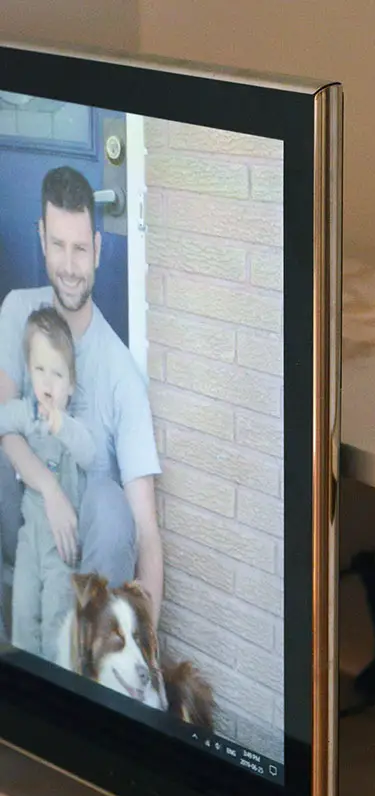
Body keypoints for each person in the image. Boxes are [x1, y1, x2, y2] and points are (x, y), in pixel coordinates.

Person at [0, 165, 162, 642]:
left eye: (79, 249)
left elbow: (146, 530)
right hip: (23, 527)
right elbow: (4, 424)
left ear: (98, 248)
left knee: (113, 505)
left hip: (86, 564)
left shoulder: (121, 373)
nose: (69, 266)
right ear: (41, 237)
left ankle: (90, 676)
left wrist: (146, 645)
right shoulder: (16, 312)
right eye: (57, 246)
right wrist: (49, 490)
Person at [0, 307, 95, 659]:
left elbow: (90, 453)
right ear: (28, 371)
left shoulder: (71, 425)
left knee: (57, 616)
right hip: (30, 539)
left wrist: (61, 425)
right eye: (40, 370)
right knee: (23, 612)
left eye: (57, 374)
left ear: (71, 384)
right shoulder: (24, 411)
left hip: (62, 546)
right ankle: (28, 691)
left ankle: (55, 688)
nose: (47, 382)